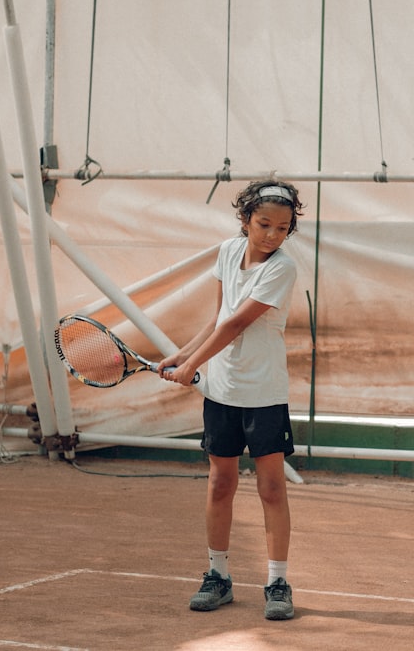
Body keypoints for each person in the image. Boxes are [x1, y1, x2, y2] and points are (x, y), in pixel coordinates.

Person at [159, 179, 304, 620]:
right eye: (263, 225)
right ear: (245, 220)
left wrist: (190, 368)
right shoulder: (226, 251)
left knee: (271, 487)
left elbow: (237, 325)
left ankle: (277, 582)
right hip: (221, 392)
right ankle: (217, 577)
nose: (272, 235)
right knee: (220, 483)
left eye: (282, 228)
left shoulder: (283, 268)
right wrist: (182, 354)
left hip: (263, 394)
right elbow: (218, 318)